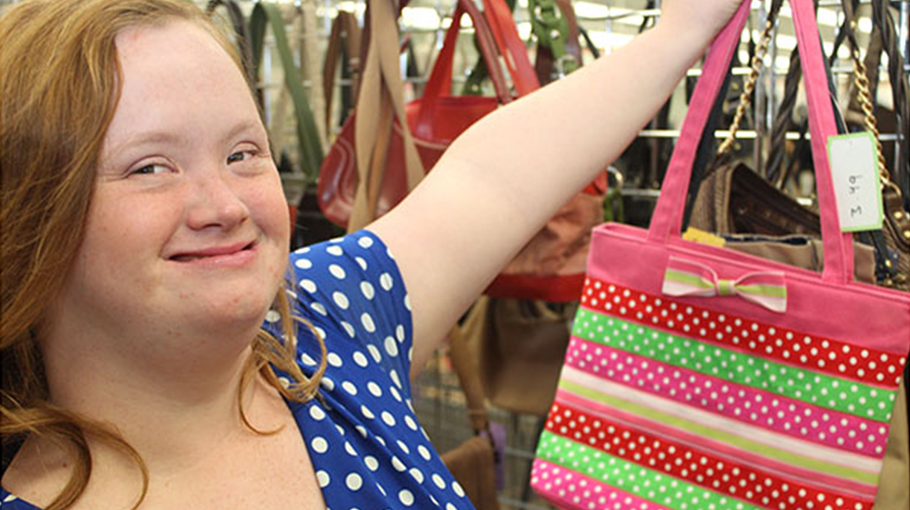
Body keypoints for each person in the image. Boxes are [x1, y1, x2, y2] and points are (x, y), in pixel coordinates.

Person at [0, 0, 741, 508]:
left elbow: (492, 178)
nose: (224, 206)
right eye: (149, 167)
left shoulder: (318, 329)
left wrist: (677, 34)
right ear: (29, 215)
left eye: (243, 152)